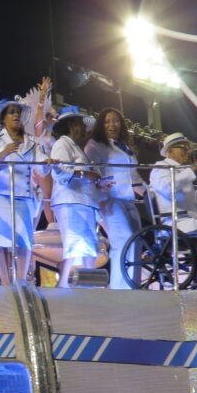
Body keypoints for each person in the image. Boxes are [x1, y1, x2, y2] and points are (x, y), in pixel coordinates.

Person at [0, 98, 49, 285]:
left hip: (22, 196)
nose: (16, 115)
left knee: (24, 240)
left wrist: (48, 163)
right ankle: (5, 283)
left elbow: (41, 165)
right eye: (11, 112)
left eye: (18, 112)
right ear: (3, 119)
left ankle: (21, 281)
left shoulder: (31, 141)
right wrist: (3, 154)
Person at [85, 107, 144, 289]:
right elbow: (90, 171)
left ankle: (132, 285)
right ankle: (119, 288)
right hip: (108, 200)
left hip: (129, 200)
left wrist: (149, 192)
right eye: (107, 121)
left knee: (136, 241)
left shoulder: (126, 148)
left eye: (116, 120)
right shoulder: (95, 145)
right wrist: (101, 191)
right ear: (101, 124)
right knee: (123, 239)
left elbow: (134, 176)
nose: (112, 124)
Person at [50, 106, 103, 288]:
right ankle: (64, 283)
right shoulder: (62, 144)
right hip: (70, 200)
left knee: (88, 244)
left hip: (84, 201)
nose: (84, 129)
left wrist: (98, 182)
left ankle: (89, 284)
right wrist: (83, 175)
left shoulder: (78, 149)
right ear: (73, 124)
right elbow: (59, 171)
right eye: (81, 124)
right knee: (74, 243)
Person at [149, 133, 197, 234]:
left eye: (188, 148)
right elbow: (167, 188)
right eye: (183, 147)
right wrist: (193, 167)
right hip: (175, 224)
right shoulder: (161, 167)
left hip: (191, 221)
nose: (188, 151)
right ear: (170, 150)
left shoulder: (183, 171)